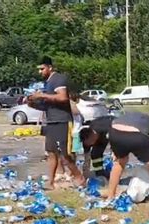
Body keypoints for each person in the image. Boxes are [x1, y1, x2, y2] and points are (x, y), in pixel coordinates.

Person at [27, 56, 85, 189]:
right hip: (51, 122)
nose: (40, 72)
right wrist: (32, 103)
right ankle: (50, 182)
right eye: (39, 69)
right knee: (51, 152)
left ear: (50, 67)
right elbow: (48, 105)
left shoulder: (58, 79)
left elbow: (63, 97)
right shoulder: (47, 83)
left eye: (42, 69)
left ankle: (79, 177)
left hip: (62, 121)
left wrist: (41, 95)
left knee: (65, 154)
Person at [79, 115, 116, 179]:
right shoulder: (86, 141)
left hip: (115, 126)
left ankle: (115, 174)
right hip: (100, 137)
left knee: (118, 155)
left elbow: (116, 141)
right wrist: (85, 172)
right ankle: (100, 173)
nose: (89, 145)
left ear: (92, 136)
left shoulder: (103, 128)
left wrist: (114, 152)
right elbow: (87, 158)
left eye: (90, 142)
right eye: (87, 144)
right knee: (95, 153)